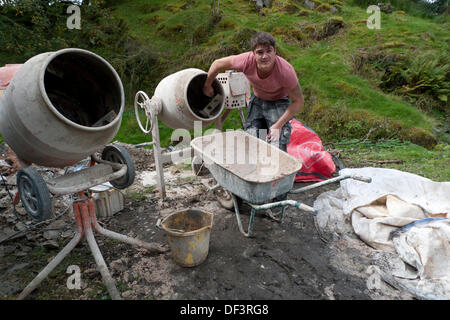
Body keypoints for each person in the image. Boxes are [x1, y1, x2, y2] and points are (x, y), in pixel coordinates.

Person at [203, 31, 304, 204]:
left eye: (268, 51)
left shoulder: (285, 71)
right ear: (253, 54)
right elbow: (217, 63)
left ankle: (276, 198)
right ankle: (251, 188)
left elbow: (298, 102)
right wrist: (207, 84)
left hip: (279, 103)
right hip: (257, 101)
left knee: (277, 147)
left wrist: (278, 125)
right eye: (259, 52)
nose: (264, 56)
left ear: (275, 52)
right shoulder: (245, 61)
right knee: (251, 142)